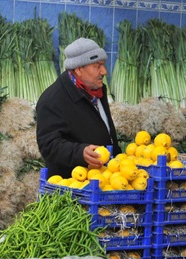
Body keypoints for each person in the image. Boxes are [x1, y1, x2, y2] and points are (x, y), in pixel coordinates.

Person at [36, 37, 122, 177]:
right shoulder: (52, 100)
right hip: (73, 185)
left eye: (103, 65)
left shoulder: (96, 91)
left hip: (103, 179)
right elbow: (48, 145)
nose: (104, 71)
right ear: (79, 69)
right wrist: (80, 153)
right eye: (97, 66)